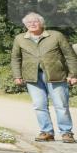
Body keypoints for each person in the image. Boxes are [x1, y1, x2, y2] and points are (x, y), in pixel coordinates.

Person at [12, 12, 77, 143]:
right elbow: (15, 58)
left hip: (56, 75)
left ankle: (66, 133)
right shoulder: (20, 38)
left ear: (41, 23)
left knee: (61, 105)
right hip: (32, 77)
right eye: (29, 22)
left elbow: (70, 56)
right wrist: (17, 75)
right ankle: (47, 132)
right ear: (25, 25)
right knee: (39, 105)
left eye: (35, 21)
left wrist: (73, 74)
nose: (32, 24)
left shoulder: (56, 36)